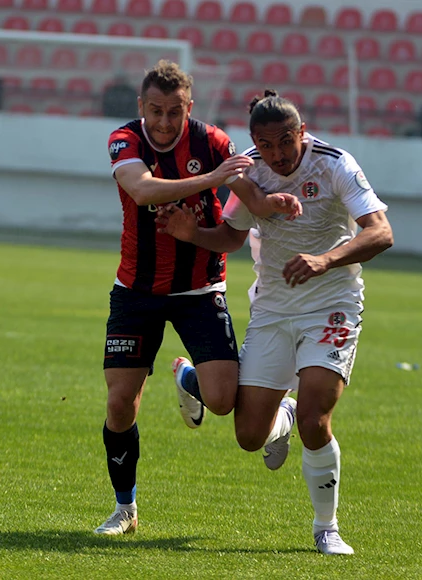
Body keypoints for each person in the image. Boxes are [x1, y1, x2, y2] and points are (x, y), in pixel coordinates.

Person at [158, 90, 394, 555]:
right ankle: (233, 396)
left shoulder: (335, 164)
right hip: (272, 309)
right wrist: (192, 234)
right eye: (267, 145)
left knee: (315, 418)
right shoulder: (247, 170)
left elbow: (381, 231)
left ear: (302, 132)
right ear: (254, 143)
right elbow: (231, 235)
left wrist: (325, 260)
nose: (279, 154)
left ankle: (326, 528)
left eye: (286, 141)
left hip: (332, 304)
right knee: (248, 438)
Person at [96, 63, 302, 535]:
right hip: (136, 290)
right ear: (141, 108)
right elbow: (143, 189)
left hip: (200, 289)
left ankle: (190, 376)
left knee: (224, 402)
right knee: (120, 403)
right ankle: (124, 509)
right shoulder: (124, 139)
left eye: (173, 112)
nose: (164, 122)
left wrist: (269, 204)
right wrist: (212, 178)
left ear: (189, 108)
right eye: (155, 111)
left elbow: (243, 187)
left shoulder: (212, 140)